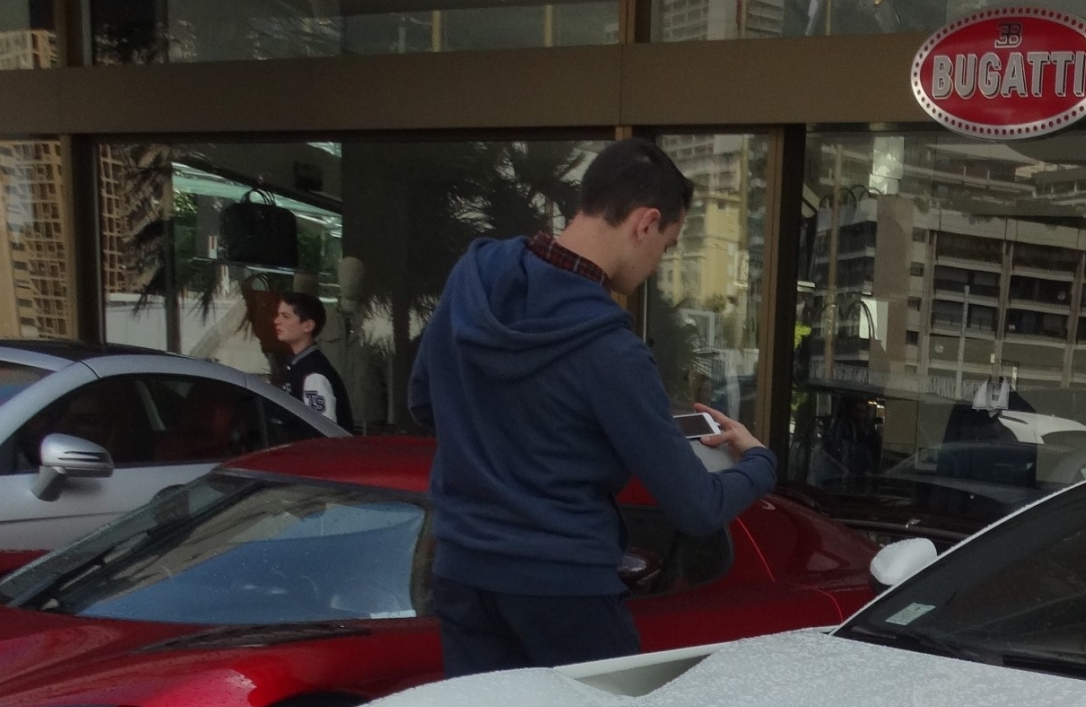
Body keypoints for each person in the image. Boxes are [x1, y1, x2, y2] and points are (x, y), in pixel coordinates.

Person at [407, 137, 776, 676]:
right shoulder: (611, 351)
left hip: (461, 571)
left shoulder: (473, 280)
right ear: (646, 223)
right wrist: (760, 464)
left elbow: (423, 402)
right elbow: (696, 508)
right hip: (563, 589)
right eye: (667, 247)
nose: (657, 263)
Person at [272, 292, 348, 424]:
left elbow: (322, 430)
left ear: (308, 326)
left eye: (285, 316)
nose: (276, 321)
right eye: (278, 315)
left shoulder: (314, 374)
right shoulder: (299, 365)